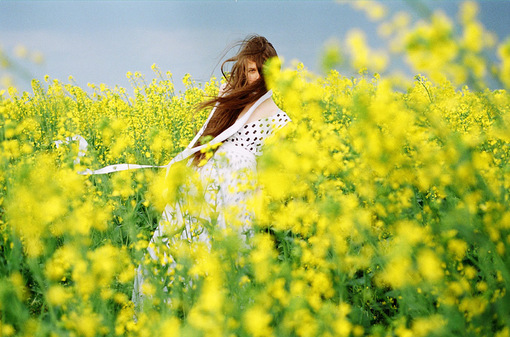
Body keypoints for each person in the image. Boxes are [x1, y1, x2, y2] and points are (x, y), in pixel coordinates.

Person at [132, 35, 291, 308]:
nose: (255, 77)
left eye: (261, 71)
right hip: (201, 190)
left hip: (237, 199)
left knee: (225, 267)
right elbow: (203, 144)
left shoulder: (280, 121)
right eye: (250, 70)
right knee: (179, 252)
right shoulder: (228, 102)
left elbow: (268, 176)